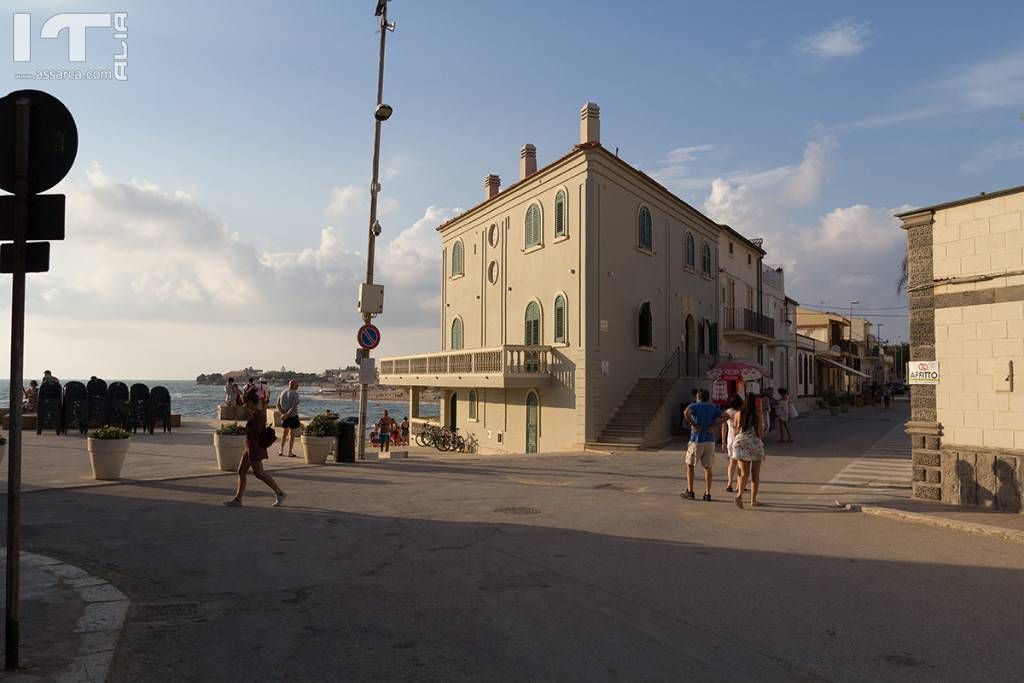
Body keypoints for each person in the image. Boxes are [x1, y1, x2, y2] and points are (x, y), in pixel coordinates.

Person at [223, 388, 286, 508]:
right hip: (249, 446)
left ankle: (280, 492)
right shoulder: (255, 413)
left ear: (252, 402)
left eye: (246, 403)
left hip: (254, 447)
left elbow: (256, 431)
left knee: (259, 474)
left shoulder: (258, 414)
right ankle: (238, 499)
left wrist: (244, 430)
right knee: (241, 471)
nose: (245, 405)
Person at [682, 388, 723, 501]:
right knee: (708, 468)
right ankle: (707, 493)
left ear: (698, 397)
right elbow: (726, 416)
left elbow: (686, 412)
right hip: (710, 440)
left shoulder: (695, 406)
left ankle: (690, 491)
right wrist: (715, 426)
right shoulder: (713, 407)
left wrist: (693, 424)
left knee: (690, 465)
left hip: (697, 440)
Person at [732, 393, 766, 509]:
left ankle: (739, 494)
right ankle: (753, 500)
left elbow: (736, 431)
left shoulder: (737, 414)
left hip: (741, 443)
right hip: (754, 444)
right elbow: (761, 433)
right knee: (755, 474)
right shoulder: (758, 414)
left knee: (743, 473)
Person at [722, 394, 743, 493]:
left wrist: (723, 441)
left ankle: (729, 483)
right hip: (741, 440)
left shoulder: (727, 413)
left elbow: (724, 427)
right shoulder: (742, 413)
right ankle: (739, 485)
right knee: (740, 464)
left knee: (732, 462)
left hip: (730, 440)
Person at [276, 380, 301, 457]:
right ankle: (290, 452)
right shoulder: (295, 394)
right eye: (297, 385)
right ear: (293, 385)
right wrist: (287, 414)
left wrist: (283, 413)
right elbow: (294, 406)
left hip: (285, 416)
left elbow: (277, 404)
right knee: (292, 434)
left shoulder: (283, 392)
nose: (298, 386)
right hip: (292, 416)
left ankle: (281, 450)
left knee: (284, 434)